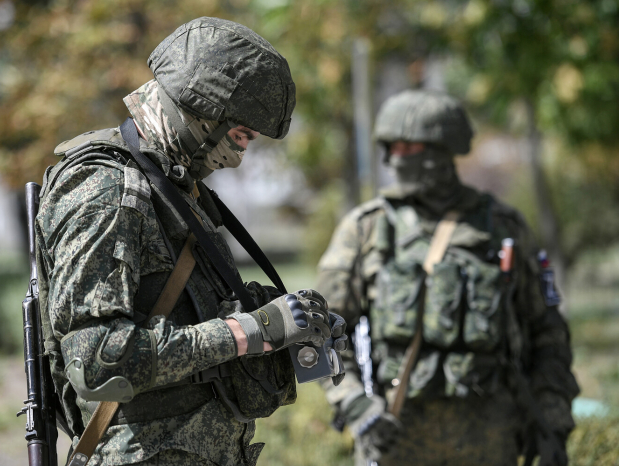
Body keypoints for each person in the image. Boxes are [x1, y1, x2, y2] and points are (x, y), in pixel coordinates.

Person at [35, 17, 347, 466]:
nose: (243, 153)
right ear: (203, 113)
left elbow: (193, 317)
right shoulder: (106, 190)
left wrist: (290, 326)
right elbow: (100, 361)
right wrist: (251, 332)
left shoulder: (174, 191)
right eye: (240, 135)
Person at [317, 89, 579, 466]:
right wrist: (357, 407)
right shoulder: (366, 229)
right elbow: (322, 330)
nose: (393, 159)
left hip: (491, 436)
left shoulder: (503, 227)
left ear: (442, 151)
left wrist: (552, 422)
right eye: (390, 148)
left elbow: (548, 331)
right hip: (395, 435)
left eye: (407, 148)